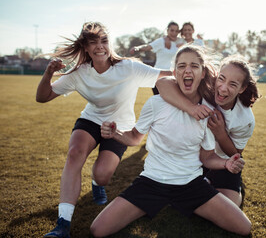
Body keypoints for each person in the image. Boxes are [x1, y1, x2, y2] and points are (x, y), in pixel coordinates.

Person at [90, 45, 252, 237]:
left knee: (244, 227)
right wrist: (116, 133)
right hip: (151, 182)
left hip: (190, 184)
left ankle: (187, 199)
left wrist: (226, 163)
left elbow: (207, 156)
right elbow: (134, 137)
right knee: (98, 230)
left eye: (194, 66)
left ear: (203, 73)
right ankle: (166, 202)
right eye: (182, 66)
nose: (188, 70)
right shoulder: (155, 103)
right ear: (175, 73)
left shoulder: (208, 112)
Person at [36, 21, 172, 238]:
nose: (100, 46)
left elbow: (166, 74)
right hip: (91, 120)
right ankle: (62, 225)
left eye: (104, 40)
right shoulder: (79, 73)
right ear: (86, 48)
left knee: (102, 176)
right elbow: (42, 97)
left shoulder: (129, 68)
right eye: (93, 42)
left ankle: (96, 183)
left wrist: (198, 72)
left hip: (120, 127)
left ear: (110, 44)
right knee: (74, 155)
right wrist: (48, 74)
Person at [156, 54, 260, 208]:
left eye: (232, 84)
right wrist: (191, 108)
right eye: (222, 78)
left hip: (223, 161)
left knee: (230, 205)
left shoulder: (245, 118)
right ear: (216, 76)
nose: (223, 88)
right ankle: (200, 183)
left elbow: (235, 153)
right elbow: (162, 83)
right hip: (196, 156)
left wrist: (220, 133)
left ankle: (206, 183)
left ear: (242, 88)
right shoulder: (206, 88)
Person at [129, 21, 184, 95]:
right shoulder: (161, 41)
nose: (174, 33)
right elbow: (147, 47)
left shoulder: (181, 42)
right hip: (159, 76)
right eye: (172, 30)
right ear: (167, 30)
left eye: (176, 31)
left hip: (173, 77)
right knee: (159, 100)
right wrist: (137, 48)